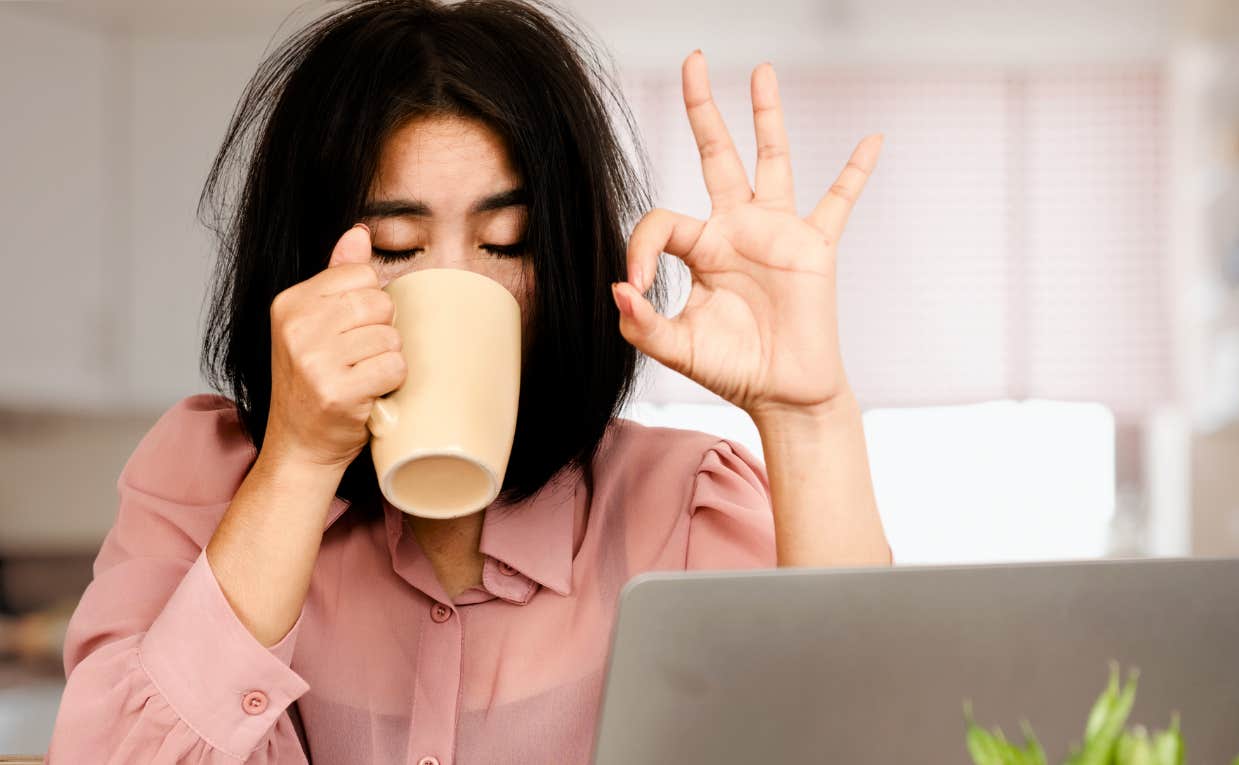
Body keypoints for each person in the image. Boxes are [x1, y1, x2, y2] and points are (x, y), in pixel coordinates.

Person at [46, 0, 891, 762]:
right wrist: (298, 463)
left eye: (508, 241)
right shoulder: (200, 483)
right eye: (395, 248)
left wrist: (805, 415)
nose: (460, 285)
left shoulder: (683, 508)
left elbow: (870, 736)